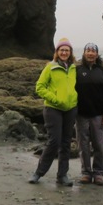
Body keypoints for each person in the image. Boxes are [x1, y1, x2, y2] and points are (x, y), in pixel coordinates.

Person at [29, 37, 78, 186]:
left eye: (67, 50)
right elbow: (40, 87)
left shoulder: (74, 68)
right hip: (53, 109)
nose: (64, 52)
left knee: (66, 143)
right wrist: (54, 99)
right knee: (54, 141)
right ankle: (38, 173)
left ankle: (62, 175)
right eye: (62, 50)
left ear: (70, 53)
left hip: (70, 109)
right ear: (57, 52)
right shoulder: (50, 67)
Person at [75, 43, 103, 186]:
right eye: (88, 51)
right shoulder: (77, 70)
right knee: (82, 144)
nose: (90, 53)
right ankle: (86, 173)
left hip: (98, 115)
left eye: (93, 51)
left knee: (99, 144)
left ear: (97, 54)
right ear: (84, 53)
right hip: (80, 115)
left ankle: (98, 173)